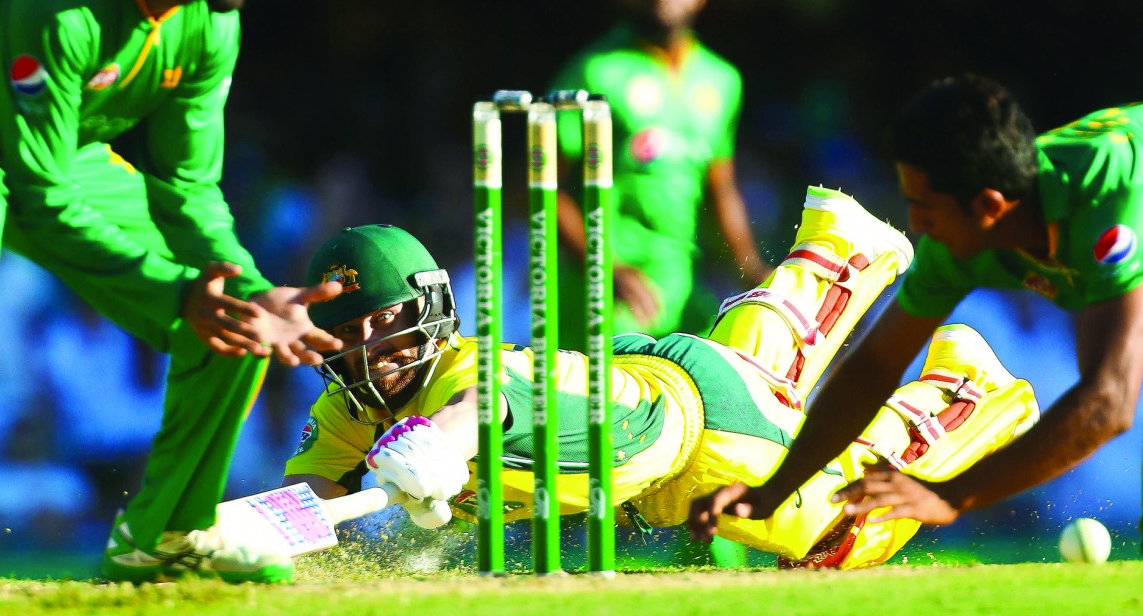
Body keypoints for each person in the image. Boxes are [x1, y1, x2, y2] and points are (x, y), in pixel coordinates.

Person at [283, 187, 1039, 569]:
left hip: (699, 433)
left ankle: (963, 392)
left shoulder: (465, 369)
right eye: (348, 336)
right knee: (761, 377)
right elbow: (309, 500)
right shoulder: (349, 410)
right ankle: (835, 253)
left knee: (832, 538)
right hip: (654, 388)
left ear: (431, 315)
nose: (367, 353)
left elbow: (482, 405)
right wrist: (229, 536)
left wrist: (434, 445)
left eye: (384, 327)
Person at [0, 0, 342, 583]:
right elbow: (39, 193)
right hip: (27, 161)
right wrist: (177, 292)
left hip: (62, 155)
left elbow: (188, 185)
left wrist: (242, 282)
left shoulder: (214, 16)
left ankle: (164, 534)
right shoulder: (66, 2)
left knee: (237, 313)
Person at [688, 76, 1143, 561]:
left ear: (989, 207)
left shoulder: (1113, 198)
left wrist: (952, 496)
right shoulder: (960, 236)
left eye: (924, 208)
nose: (915, 225)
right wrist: (771, 490)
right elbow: (874, 369)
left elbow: (1110, 401)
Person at [548, 0, 773, 350]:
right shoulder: (593, 72)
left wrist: (752, 271)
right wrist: (606, 270)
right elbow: (539, 189)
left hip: (683, 291)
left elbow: (720, 189)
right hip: (603, 301)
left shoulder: (721, 79)